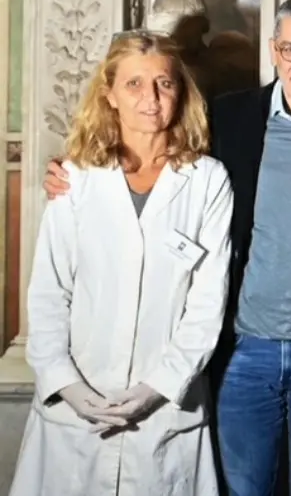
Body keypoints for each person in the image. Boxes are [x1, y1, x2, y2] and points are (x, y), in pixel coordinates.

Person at [44, 0, 291, 496]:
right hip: (246, 349)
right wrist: (70, 171)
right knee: (244, 489)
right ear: (273, 50)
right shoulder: (232, 119)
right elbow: (153, 142)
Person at [11, 31, 233, 495]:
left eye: (164, 84)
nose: (150, 99)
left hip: (165, 417)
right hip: (73, 418)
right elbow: (49, 295)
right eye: (133, 84)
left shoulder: (207, 182)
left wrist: (156, 387)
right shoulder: (75, 179)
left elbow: (207, 307)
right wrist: (69, 388)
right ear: (109, 93)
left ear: (181, 92)